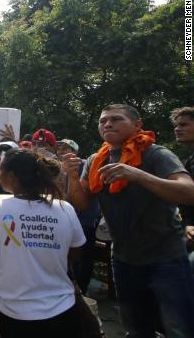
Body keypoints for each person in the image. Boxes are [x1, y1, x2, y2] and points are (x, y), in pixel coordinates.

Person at [64, 104, 194, 337]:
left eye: (115, 119)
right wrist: (72, 177)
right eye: (103, 121)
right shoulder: (96, 159)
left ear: (137, 125)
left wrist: (137, 174)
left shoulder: (155, 154)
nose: (107, 124)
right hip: (124, 257)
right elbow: (82, 203)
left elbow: (188, 192)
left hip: (166, 256)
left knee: (179, 328)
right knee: (135, 327)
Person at [0, 149, 85, 337]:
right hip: (61, 306)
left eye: (0, 170)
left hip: (14, 309)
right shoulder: (64, 207)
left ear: (11, 176)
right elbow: (75, 252)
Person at [57, 138, 100, 294]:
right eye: (59, 147)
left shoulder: (83, 164)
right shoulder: (58, 168)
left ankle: (82, 291)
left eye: (65, 147)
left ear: (75, 151)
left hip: (85, 220)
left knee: (83, 258)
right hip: (65, 220)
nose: (61, 150)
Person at [172, 107, 194, 270]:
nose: (178, 129)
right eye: (177, 125)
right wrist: (189, 224)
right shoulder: (189, 161)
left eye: (184, 125)